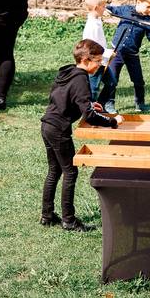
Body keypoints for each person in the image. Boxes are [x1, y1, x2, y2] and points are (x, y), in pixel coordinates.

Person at [40, 39, 123, 232]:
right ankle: (68, 220)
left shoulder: (68, 73)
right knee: (70, 171)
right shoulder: (81, 78)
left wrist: (88, 104)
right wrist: (112, 122)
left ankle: (47, 215)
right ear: (86, 60)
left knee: (54, 171)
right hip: (59, 129)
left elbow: (66, 98)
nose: (101, 65)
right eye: (98, 61)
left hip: (47, 125)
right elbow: (90, 117)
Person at [96, 0, 150, 114]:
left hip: (133, 54)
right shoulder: (125, 10)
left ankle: (140, 103)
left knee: (138, 80)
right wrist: (105, 10)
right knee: (112, 79)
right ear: (138, 2)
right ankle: (109, 103)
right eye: (148, 7)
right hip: (117, 52)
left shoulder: (147, 20)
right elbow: (108, 8)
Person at [81, 0, 113, 100]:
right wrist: (109, 53)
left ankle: (101, 106)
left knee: (111, 83)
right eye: (103, 6)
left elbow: (100, 42)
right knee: (93, 88)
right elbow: (93, 47)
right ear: (96, 8)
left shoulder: (96, 20)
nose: (105, 9)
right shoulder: (92, 26)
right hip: (94, 61)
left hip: (102, 59)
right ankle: (90, 109)